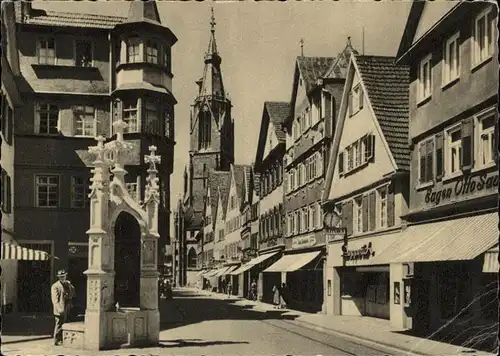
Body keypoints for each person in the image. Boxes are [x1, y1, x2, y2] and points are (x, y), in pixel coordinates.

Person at [51, 269, 75, 346]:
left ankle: (62, 339)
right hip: (60, 308)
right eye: (61, 277)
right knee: (59, 324)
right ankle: (56, 340)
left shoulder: (67, 284)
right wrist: (59, 309)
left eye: (63, 276)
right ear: (58, 277)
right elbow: (55, 299)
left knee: (65, 323)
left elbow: (72, 292)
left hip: (67, 306)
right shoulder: (55, 286)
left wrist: (70, 285)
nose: (62, 278)